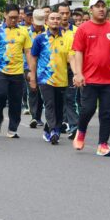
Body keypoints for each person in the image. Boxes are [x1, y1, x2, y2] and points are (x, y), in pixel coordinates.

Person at [72, 0, 110, 157]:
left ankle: (103, 144)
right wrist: (79, 73)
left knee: (107, 113)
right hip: (89, 78)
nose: (101, 9)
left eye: (103, 6)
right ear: (91, 10)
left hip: (108, 79)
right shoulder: (83, 29)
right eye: (97, 6)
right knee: (88, 109)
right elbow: (78, 52)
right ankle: (81, 132)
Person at [29, 11, 74, 144]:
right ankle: (54, 130)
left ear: (61, 21)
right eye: (52, 18)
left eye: (58, 19)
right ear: (46, 21)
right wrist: (32, 77)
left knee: (60, 106)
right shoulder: (40, 39)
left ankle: (48, 130)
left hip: (62, 78)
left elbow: (70, 57)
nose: (55, 21)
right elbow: (33, 58)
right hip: (44, 78)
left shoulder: (67, 38)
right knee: (50, 104)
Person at [0, 4, 32, 138]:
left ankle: (13, 128)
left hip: (17, 71)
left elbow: (28, 51)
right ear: (5, 15)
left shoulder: (24, 31)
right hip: (0, 70)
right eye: (11, 17)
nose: (14, 20)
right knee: (0, 95)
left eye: (16, 18)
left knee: (16, 101)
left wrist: (31, 70)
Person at [58, 3, 79, 138]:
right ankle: (58, 124)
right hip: (56, 68)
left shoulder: (77, 30)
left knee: (70, 98)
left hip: (72, 68)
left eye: (67, 13)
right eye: (62, 13)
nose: (64, 16)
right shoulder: (51, 29)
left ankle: (74, 126)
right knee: (58, 99)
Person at [25, 9, 45, 128]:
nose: (38, 24)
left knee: (41, 92)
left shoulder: (48, 32)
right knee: (32, 90)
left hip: (44, 67)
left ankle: (38, 116)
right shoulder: (25, 32)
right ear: (32, 20)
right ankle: (33, 116)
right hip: (28, 66)